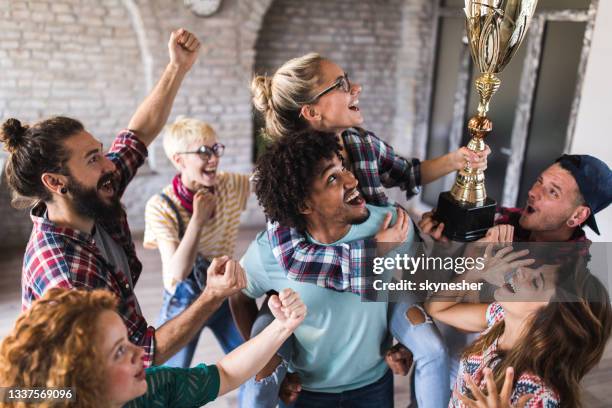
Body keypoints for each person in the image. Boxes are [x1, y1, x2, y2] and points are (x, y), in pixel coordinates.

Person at [0, 29, 245, 367]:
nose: (109, 165)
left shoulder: (89, 194)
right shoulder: (69, 273)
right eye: (92, 159)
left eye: (100, 152)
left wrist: (177, 67)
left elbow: (138, 135)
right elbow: (143, 353)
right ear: (56, 182)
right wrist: (212, 296)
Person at [231, 130, 450, 408]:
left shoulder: (392, 225)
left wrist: (407, 342)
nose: (352, 179)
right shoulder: (272, 253)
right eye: (333, 178)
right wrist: (271, 360)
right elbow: (239, 294)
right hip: (305, 392)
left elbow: (415, 282)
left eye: (344, 167)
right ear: (304, 204)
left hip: (373, 386)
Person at [250, 52, 491, 295]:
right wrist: (376, 248)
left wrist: (458, 159)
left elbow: (408, 173)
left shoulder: (361, 142)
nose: (356, 87)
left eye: (348, 79)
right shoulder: (286, 173)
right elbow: (295, 259)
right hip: (328, 294)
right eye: (341, 84)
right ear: (312, 112)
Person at [0, 287, 306, 408]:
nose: (139, 352)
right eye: (119, 351)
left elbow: (225, 374)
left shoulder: (153, 388)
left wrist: (282, 326)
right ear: (79, 373)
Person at [425, 244, 612, 408]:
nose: (523, 270)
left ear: (551, 320)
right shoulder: (499, 318)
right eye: (535, 269)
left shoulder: (536, 393)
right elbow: (437, 308)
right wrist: (475, 273)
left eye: (536, 282)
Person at [143, 116, 250, 368]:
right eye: (203, 152)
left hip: (223, 291)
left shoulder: (229, 184)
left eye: (215, 149)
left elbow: (264, 182)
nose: (213, 158)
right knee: (166, 379)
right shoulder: (160, 206)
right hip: (185, 302)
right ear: (178, 160)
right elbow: (178, 273)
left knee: (254, 362)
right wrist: (198, 219)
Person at [420, 154, 612, 243]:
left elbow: (488, 324)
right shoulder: (507, 220)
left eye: (553, 192)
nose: (533, 192)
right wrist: (446, 237)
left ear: (578, 216)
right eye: (539, 181)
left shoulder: (566, 278)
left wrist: (479, 265)